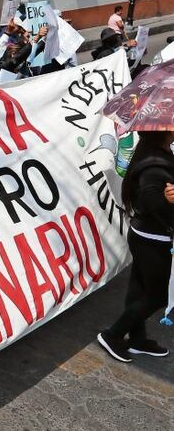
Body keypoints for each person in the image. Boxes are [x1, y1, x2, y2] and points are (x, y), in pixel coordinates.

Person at [97, 130, 174, 362]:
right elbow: (153, 203)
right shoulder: (154, 165)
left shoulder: (155, 153)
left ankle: (137, 340)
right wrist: (169, 201)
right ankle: (113, 335)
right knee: (158, 295)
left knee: (139, 288)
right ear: (163, 131)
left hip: (145, 235)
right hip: (154, 240)